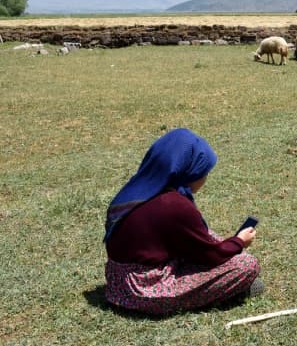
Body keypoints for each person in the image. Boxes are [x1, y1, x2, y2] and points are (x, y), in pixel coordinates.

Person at [103, 128, 262, 315]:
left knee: (208, 235)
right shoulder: (174, 205)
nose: (204, 179)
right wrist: (239, 242)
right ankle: (225, 293)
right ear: (189, 172)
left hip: (117, 281)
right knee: (246, 265)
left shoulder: (137, 188)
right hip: (143, 289)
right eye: (203, 172)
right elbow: (209, 255)